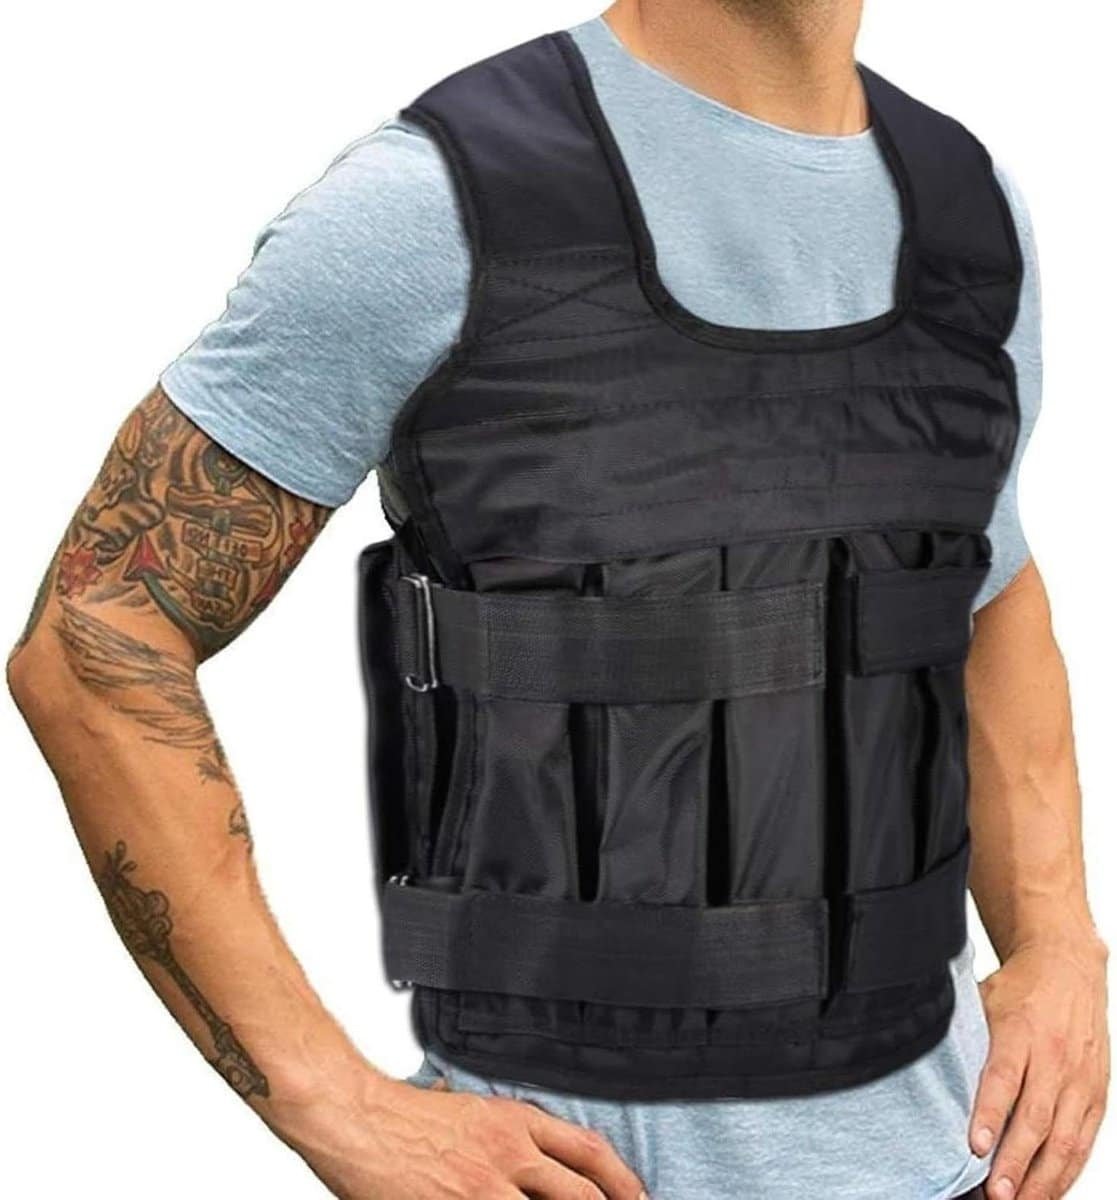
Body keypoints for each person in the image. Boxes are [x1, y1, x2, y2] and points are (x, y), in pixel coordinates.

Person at [7, 1, 1108, 1197]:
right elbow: (93, 634)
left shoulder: (965, 207)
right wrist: (332, 1103)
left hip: (953, 1162)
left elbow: (983, 589)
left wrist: (1058, 942)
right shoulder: (441, 202)